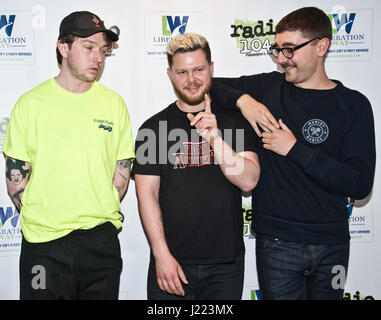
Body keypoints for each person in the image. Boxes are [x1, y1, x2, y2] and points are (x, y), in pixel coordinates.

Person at [211, 7, 376, 300]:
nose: (282, 59)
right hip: (276, 243)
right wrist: (244, 100)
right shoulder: (267, 88)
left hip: (332, 246)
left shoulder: (354, 105)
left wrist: (295, 149)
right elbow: (208, 86)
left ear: (321, 46)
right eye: (278, 49)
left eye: (290, 49)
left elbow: (360, 184)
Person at [3, 11, 135, 300]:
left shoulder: (114, 104)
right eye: (88, 47)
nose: (98, 58)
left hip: (100, 242)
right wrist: (45, 217)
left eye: (102, 50)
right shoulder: (30, 104)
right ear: (63, 48)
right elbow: (16, 176)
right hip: (45, 246)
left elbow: (121, 173)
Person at [132, 33, 260, 300]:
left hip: (226, 264)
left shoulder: (235, 122)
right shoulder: (153, 129)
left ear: (211, 69)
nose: (191, 80)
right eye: (182, 72)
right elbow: (147, 196)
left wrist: (215, 138)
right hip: (172, 263)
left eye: (199, 70)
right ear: (170, 74)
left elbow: (248, 181)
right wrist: (161, 254)